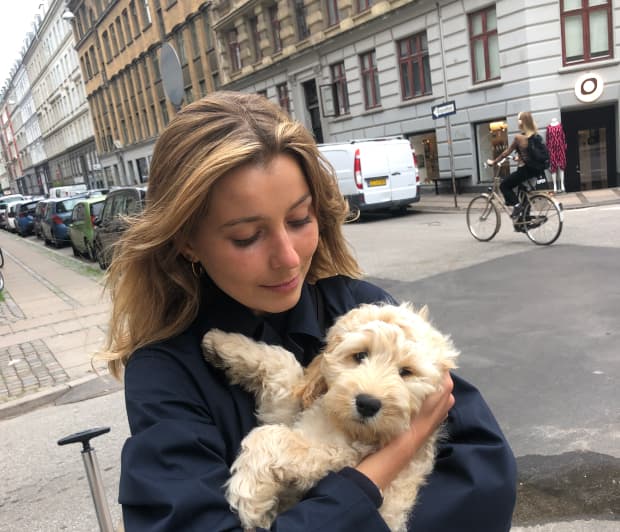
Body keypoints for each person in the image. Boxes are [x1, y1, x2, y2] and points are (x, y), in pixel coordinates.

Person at [102, 91, 517, 531]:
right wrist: (389, 460)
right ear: (187, 240)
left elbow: (487, 480)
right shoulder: (167, 372)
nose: (288, 258)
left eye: (300, 220)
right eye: (246, 236)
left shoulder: (361, 306)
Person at [487, 111, 541, 218]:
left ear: (521, 122)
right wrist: (519, 158)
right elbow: (531, 153)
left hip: (525, 171)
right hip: (535, 171)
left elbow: (506, 152)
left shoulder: (519, 138)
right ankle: (525, 221)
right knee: (523, 193)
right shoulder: (535, 136)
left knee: (504, 185)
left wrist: (494, 162)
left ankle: (516, 206)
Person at [546, 118, 567, 193]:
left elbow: (563, 137)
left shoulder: (560, 126)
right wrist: (548, 149)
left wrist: (564, 147)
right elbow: (547, 139)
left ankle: (562, 184)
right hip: (552, 149)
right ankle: (554, 185)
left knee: (561, 167)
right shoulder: (548, 128)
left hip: (560, 148)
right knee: (553, 167)